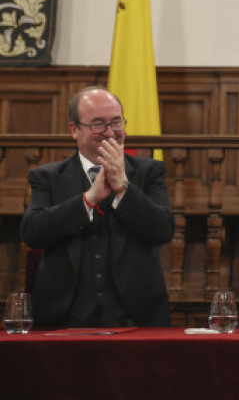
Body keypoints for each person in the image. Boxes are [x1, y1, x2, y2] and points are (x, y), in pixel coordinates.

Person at [21, 86, 174, 327]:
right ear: (75, 129)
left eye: (116, 122)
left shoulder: (149, 172)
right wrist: (88, 199)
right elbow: (33, 233)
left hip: (136, 318)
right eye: (98, 124)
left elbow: (162, 230)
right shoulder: (47, 177)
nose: (110, 132)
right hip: (64, 319)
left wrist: (124, 188)